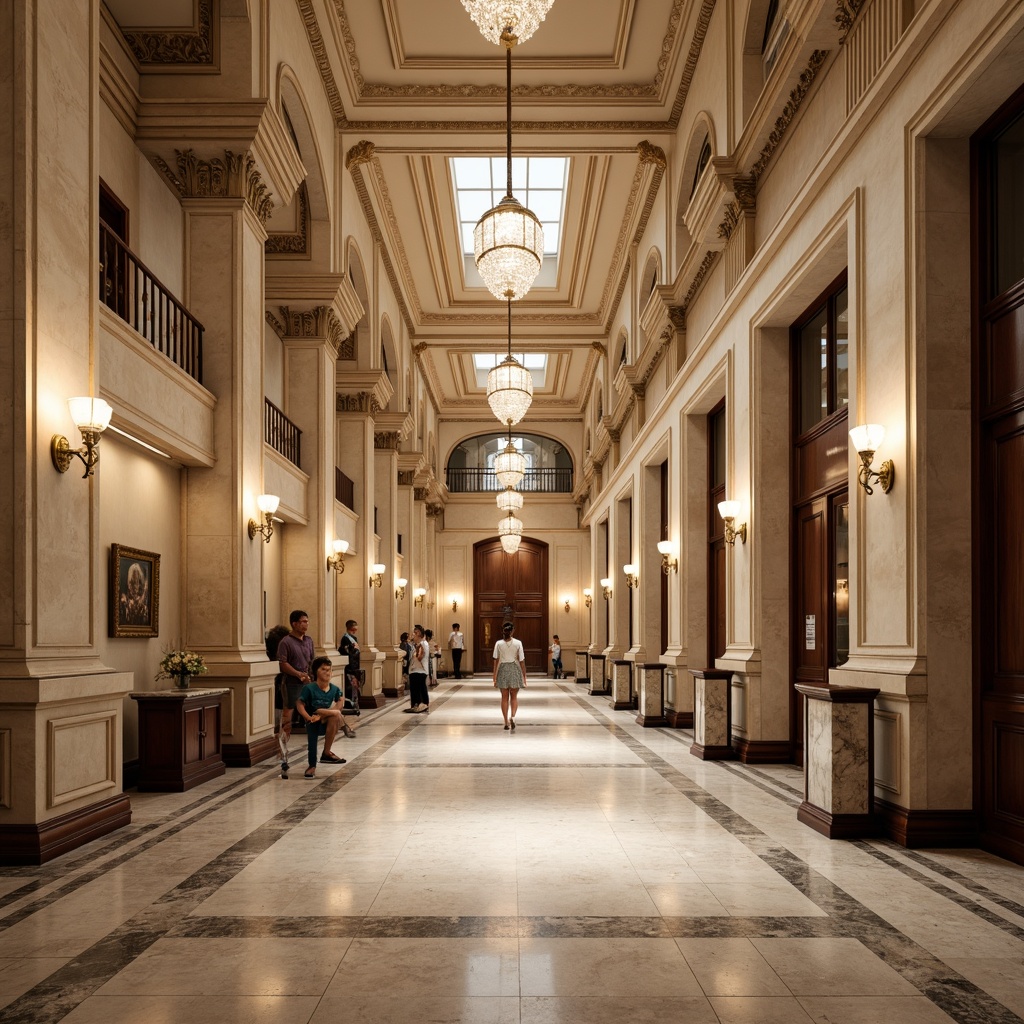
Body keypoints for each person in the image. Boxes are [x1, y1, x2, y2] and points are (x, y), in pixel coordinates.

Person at [296, 657, 353, 778]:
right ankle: (312, 766)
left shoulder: (334, 689)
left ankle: (326, 753)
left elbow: (340, 700)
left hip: (326, 719)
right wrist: (308, 717)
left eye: (329, 670)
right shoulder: (309, 688)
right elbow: (299, 704)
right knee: (329, 714)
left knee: (335, 715)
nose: (327, 672)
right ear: (316, 671)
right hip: (313, 719)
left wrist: (330, 712)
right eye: (323, 669)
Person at [276, 609, 315, 772]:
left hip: (307, 683)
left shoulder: (308, 640)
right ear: (294, 623)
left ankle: (313, 756)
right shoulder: (286, 642)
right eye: (303, 621)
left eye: (307, 621)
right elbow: (282, 663)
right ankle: (283, 754)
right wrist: (298, 674)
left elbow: (311, 660)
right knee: (287, 719)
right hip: (291, 684)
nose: (306, 624)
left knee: (312, 717)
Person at [492, 620, 527, 730]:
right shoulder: (518, 643)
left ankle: (506, 721)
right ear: (512, 631)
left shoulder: (498, 643)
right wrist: (524, 676)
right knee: (514, 696)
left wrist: (494, 676)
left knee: (504, 697)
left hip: (502, 669)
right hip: (514, 668)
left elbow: (496, 661)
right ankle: (513, 716)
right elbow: (521, 661)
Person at [337, 619, 362, 713]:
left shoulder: (354, 639)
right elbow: (348, 653)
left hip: (355, 667)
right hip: (349, 668)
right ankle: (351, 705)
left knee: (355, 687)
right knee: (351, 686)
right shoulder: (345, 639)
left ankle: (355, 704)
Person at [405, 624, 429, 713]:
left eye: (414, 634)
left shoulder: (422, 644)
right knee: (418, 689)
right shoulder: (422, 643)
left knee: (418, 689)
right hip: (417, 670)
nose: (413, 636)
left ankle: (419, 705)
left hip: (419, 670)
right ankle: (417, 705)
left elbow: (419, 657)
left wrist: (414, 653)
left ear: (418, 633)